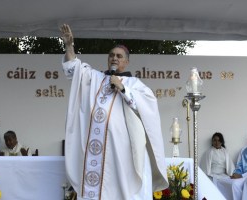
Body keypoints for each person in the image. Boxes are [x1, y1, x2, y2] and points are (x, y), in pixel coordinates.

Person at [60, 24, 168, 200]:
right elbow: (75, 69)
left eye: (119, 56)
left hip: (122, 151)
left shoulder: (135, 84)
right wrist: (69, 46)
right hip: (96, 149)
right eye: (111, 55)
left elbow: (147, 109)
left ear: (126, 61)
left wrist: (123, 88)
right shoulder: (95, 78)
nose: (114, 58)